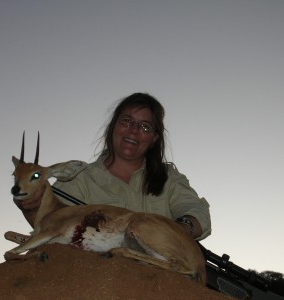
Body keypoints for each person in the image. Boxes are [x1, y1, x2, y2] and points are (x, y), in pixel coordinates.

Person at [14, 93, 211, 240]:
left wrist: (179, 230)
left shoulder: (169, 177)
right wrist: (30, 207)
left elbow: (196, 211)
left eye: (144, 126)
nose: (133, 130)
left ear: (154, 138)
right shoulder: (79, 178)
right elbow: (52, 224)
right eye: (126, 121)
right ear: (113, 126)